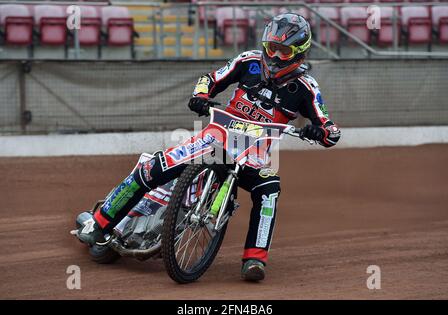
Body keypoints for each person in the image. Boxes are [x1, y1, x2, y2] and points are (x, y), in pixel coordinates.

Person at [78, 13, 341, 282]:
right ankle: (98, 223)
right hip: (214, 138)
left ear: (299, 54)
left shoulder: (306, 87)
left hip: (256, 155)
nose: (273, 56)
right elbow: (210, 79)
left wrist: (318, 132)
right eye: (271, 47)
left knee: (269, 191)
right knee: (151, 169)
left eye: (282, 51)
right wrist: (200, 97)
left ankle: (254, 259)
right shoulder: (248, 61)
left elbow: (331, 131)